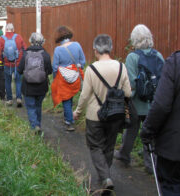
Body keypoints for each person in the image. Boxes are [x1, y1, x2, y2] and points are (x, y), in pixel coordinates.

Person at [141, 2, 180, 195]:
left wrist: (147, 131)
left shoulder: (176, 62)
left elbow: (162, 105)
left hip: (174, 148)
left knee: (172, 188)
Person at [73, 34, 131, 192]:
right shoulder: (121, 67)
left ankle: (105, 177)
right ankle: (104, 176)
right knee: (109, 146)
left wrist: (77, 111)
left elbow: (84, 95)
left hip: (94, 115)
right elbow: (128, 92)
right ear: (110, 48)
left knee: (95, 146)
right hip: (116, 114)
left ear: (95, 50)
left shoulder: (91, 69)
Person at [114, 24, 164, 174]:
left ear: (134, 40)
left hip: (137, 103)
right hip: (155, 103)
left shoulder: (132, 57)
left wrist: (126, 100)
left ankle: (124, 155)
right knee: (151, 133)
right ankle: (151, 164)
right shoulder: (158, 56)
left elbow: (131, 83)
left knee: (131, 130)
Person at [17, 32, 52, 134]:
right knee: (38, 106)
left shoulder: (25, 54)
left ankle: (34, 126)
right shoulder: (45, 55)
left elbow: (19, 70)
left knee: (30, 107)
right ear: (42, 42)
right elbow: (49, 71)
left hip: (28, 87)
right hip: (41, 87)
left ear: (31, 41)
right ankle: (38, 125)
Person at [52, 26, 86, 131]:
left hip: (63, 79)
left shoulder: (58, 50)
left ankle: (69, 121)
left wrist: (54, 78)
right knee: (71, 96)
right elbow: (83, 62)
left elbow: (55, 67)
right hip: (76, 76)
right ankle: (70, 116)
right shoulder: (77, 45)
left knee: (66, 98)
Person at [0, 23, 26, 107]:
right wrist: (21, 60)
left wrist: (3, 60)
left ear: (6, 30)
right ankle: (19, 98)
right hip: (18, 64)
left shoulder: (2, 39)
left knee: (7, 81)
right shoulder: (18, 37)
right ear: (13, 30)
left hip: (7, 64)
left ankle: (9, 99)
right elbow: (24, 49)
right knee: (18, 81)